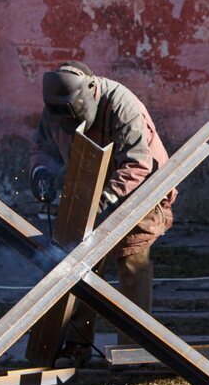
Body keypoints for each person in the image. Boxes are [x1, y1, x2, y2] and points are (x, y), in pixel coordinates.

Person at [29, 61, 175, 364]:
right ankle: (77, 344)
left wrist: (104, 198)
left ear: (92, 92)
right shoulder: (55, 108)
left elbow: (138, 164)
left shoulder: (123, 106)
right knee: (81, 263)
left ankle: (133, 350)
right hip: (90, 186)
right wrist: (40, 172)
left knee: (132, 260)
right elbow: (42, 147)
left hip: (139, 190)